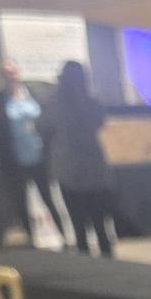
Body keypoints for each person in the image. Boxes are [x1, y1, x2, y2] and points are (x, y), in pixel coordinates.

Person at [0, 61, 67, 248]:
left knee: (49, 199)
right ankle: (32, 241)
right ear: (2, 76)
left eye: (13, 72)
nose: (11, 76)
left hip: (39, 158)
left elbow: (48, 124)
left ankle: (65, 237)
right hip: (15, 161)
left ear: (18, 73)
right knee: (22, 203)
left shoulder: (35, 95)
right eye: (6, 73)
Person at [40, 61, 114, 256]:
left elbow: (42, 128)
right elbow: (100, 122)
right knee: (99, 222)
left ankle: (86, 264)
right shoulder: (91, 103)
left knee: (79, 223)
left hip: (70, 170)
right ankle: (109, 262)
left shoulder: (54, 105)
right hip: (88, 169)